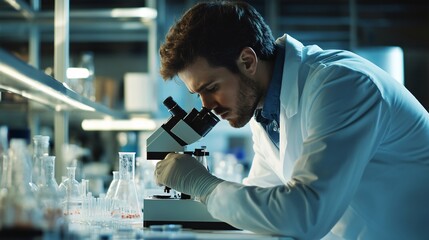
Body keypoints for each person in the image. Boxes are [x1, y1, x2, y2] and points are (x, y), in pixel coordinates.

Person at [154, 1, 429, 239]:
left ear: (248, 61)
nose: (207, 105)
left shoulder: (342, 86)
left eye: (211, 87)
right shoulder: (265, 111)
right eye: (198, 94)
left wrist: (204, 186)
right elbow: (262, 203)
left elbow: (305, 215)